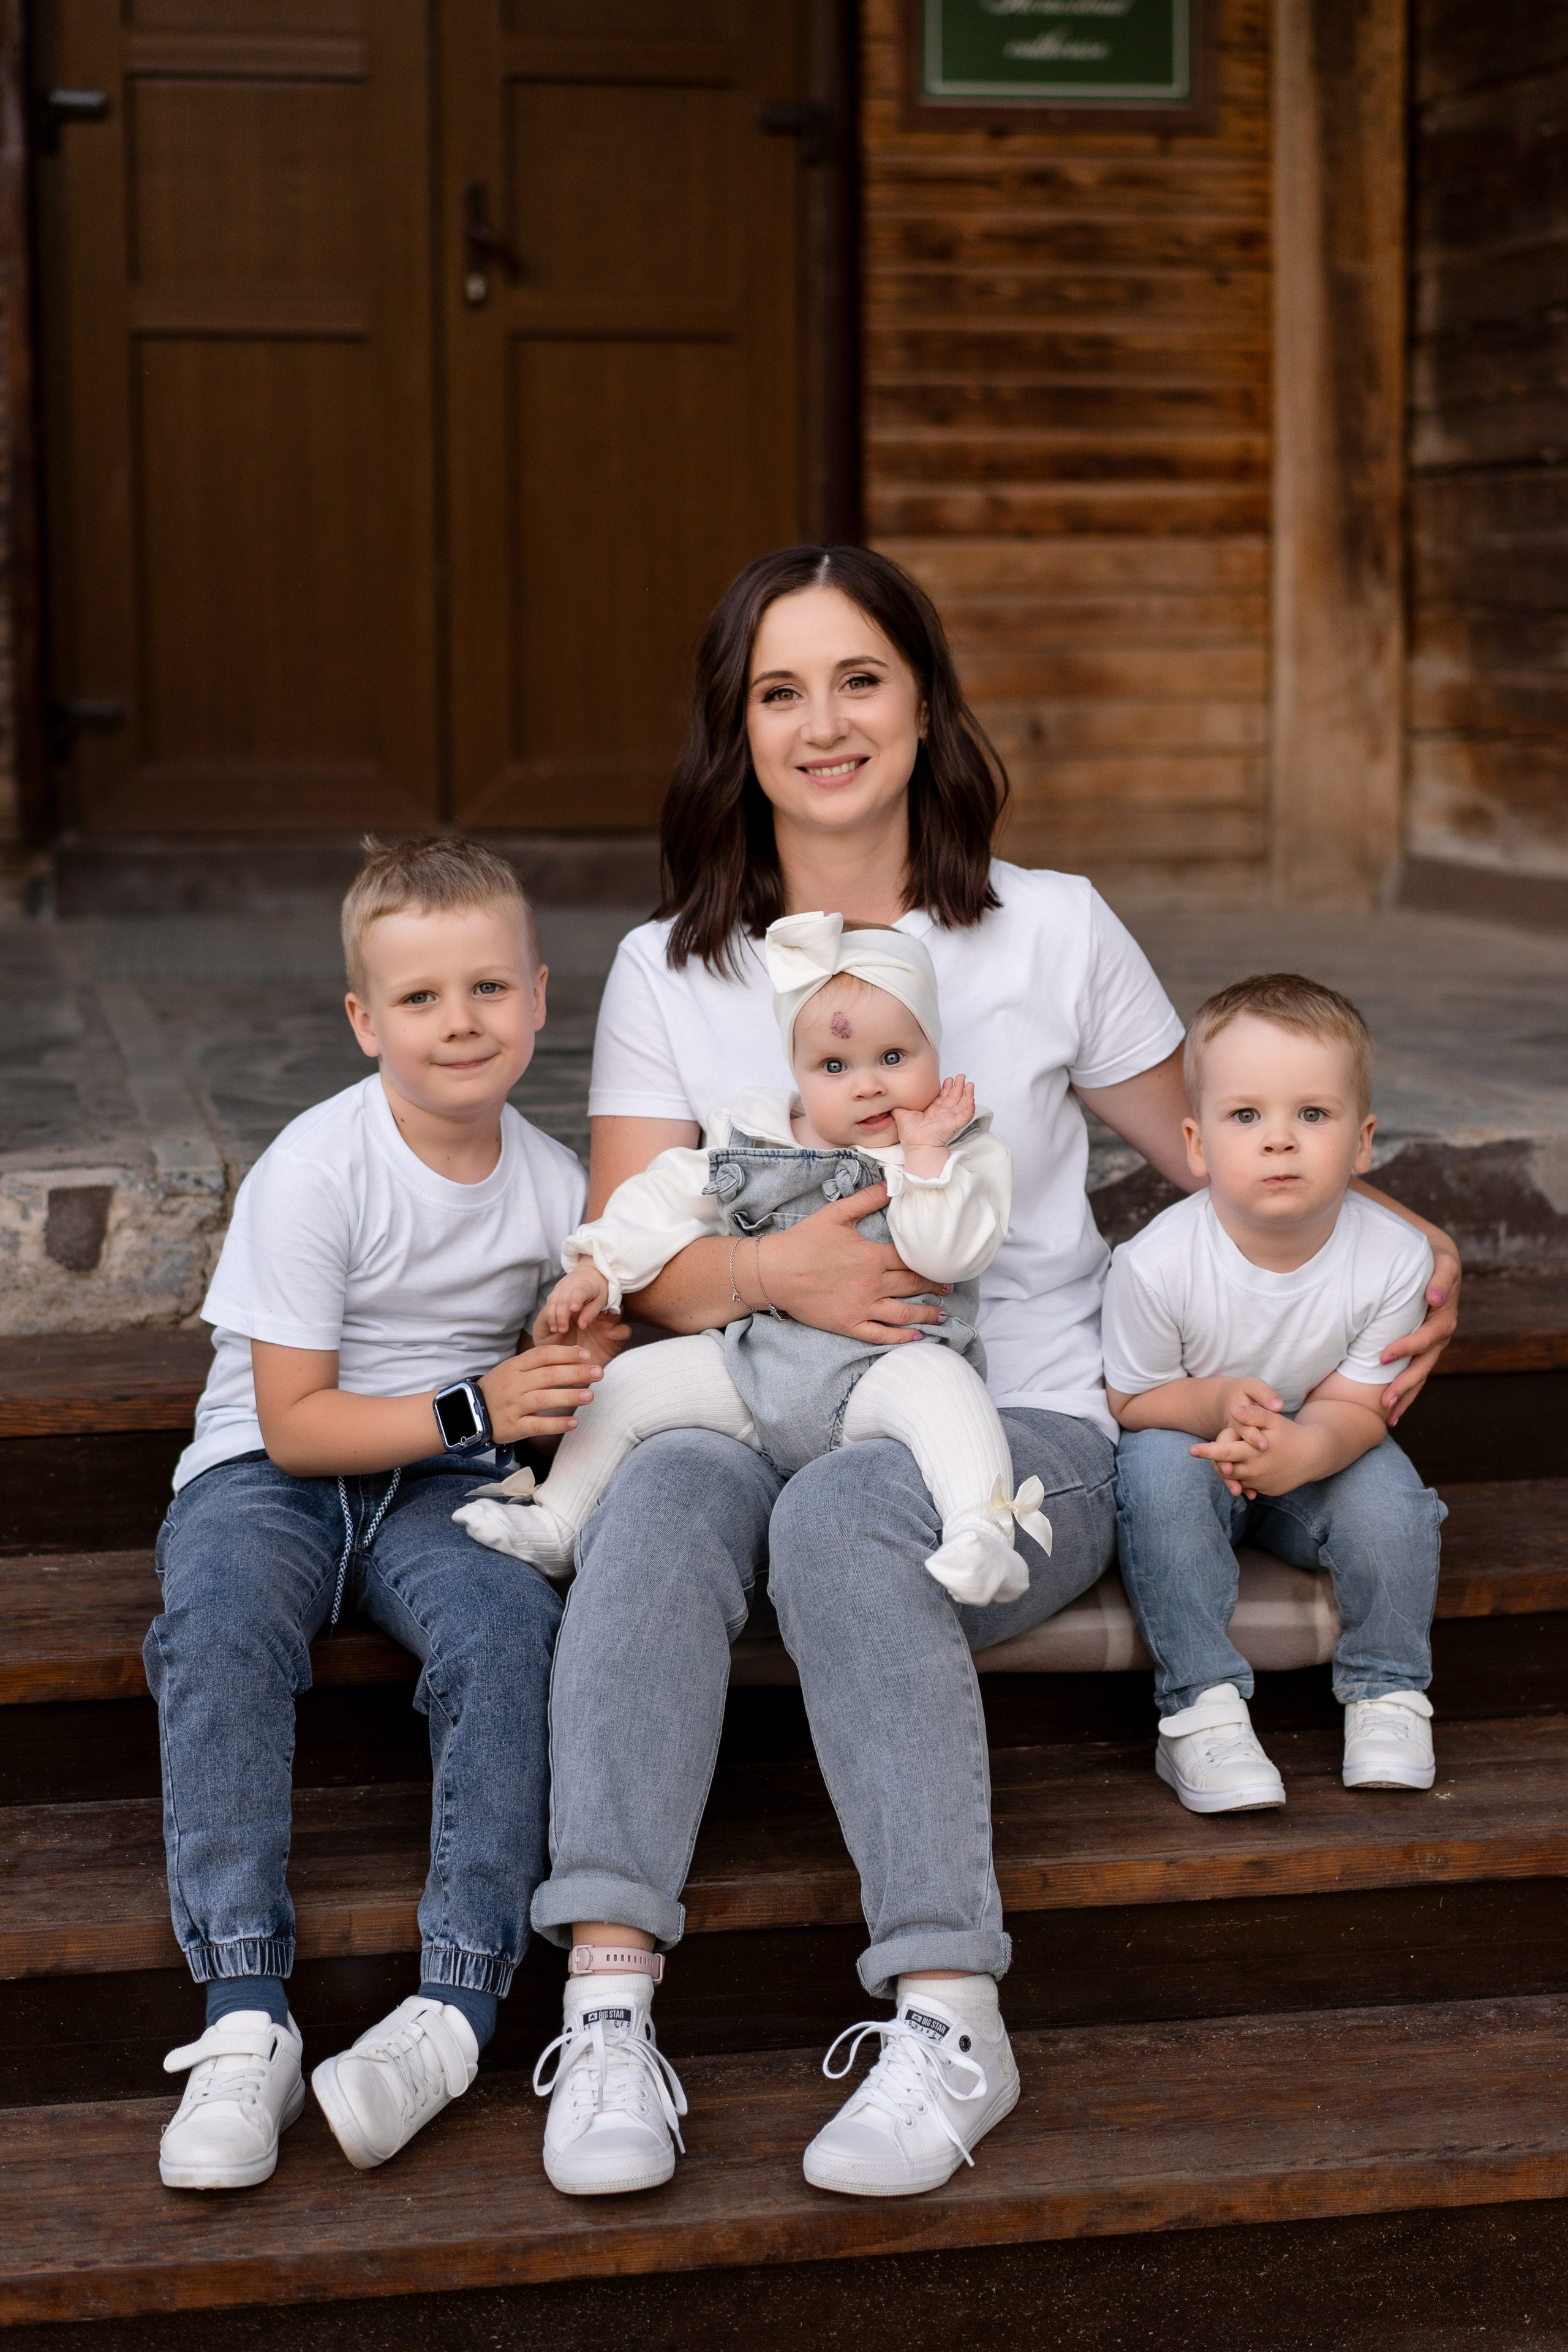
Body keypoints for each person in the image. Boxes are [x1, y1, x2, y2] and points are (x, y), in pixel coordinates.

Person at [521, 544, 1462, 2204]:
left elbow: (1210, 1145)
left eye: (860, 679)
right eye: (780, 691)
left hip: (1018, 1424)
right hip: (752, 1393)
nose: (825, 723)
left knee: (843, 1530)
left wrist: (1405, 1241)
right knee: (659, 1492)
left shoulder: (1050, 931)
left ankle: (952, 2015)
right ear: (735, 732)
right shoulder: (673, 966)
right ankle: (607, 2010)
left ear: (927, 701)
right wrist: (766, 1270)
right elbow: (632, 1250)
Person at [145, 835, 622, 2191]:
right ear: (364, 1022)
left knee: (508, 1635)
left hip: (434, 1492)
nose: (457, 1023)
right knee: (219, 1626)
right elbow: (295, 1422)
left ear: (537, 996)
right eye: (418, 998)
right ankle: (244, 2015)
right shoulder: (318, 1169)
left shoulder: (549, 1184)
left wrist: (573, 1330)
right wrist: (483, 1402)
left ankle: (454, 2008)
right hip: (269, 1477)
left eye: (485, 989)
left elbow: (571, 1362)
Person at [456, 911, 1052, 1607]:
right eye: (834, 1066)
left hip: (882, 1371)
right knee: (629, 1383)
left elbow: (946, 1250)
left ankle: (981, 1532)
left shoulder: (962, 1152)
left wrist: (923, 1160)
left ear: (934, 1051)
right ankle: (561, 1518)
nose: (867, 1085)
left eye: (893, 1058)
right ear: (796, 1070)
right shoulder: (756, 1140)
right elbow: (663, 1196)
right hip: (755, 1367)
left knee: (948, 1390)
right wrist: (599, 1268)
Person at [1104, 974, 1446, 1813]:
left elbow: (1360, 1406)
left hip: (1323, 1442)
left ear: (1364, 1143)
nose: (1280, 1141)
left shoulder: (1395, 1256)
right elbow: (1134, 1401)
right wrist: (1216, 1405)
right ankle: (1201, 1708)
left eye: (1313, 1115)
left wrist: (1308, 1448)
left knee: (1395, 1504)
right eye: (1246, 1115)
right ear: (1195, 1143)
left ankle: (1389, 1691)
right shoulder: (1155, 1265)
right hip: (1195, 1437)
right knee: (1154, 1476)